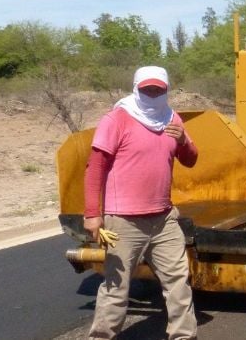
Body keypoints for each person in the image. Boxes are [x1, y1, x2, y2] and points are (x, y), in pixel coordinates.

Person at [83, 66, 199, 339]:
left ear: (167, 90)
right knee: (116, 289)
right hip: (123, 221)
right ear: (136, 88)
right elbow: (95, 167)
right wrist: (92, 214)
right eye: (148, 89)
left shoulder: (171, 119)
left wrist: (183, 140)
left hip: (163, 218)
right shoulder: (117, 119)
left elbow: (191, 160)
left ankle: (184, 335)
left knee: (179, 284)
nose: (153, 93)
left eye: (159, 89)